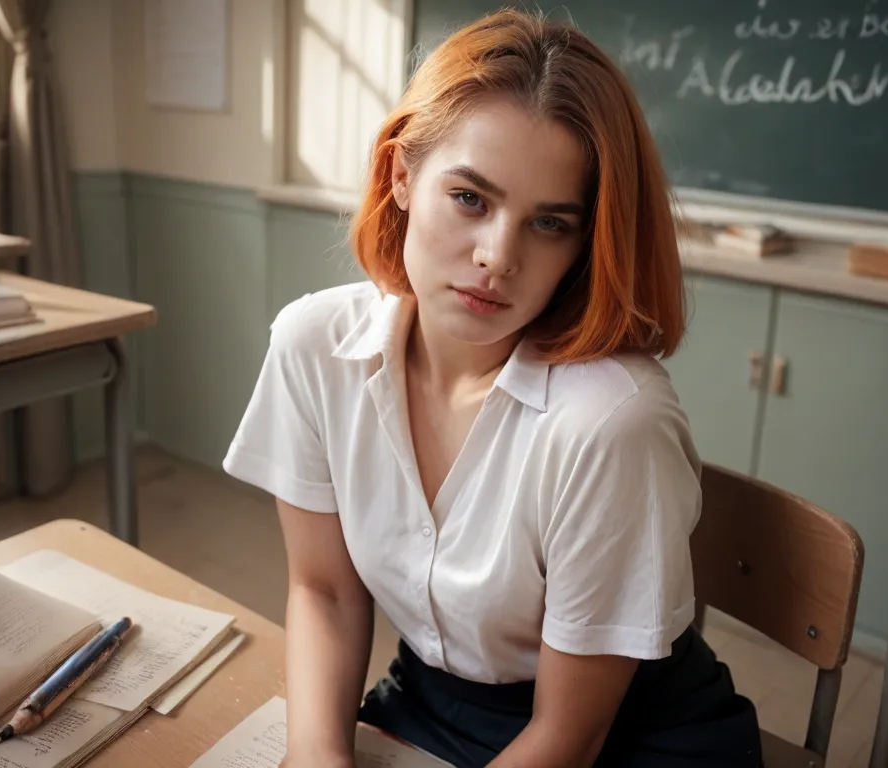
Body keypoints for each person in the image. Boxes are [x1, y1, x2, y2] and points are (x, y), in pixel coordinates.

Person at [223, 8, 763, 768]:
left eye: (549, 224)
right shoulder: (315, 346)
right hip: (434, 700)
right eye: (471, 198)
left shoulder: (610, 422)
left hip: (627, 737)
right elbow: (325, 593)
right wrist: (319, 756)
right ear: (401, 176)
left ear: (585, 243)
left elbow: (569, 738)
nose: (498, 258)